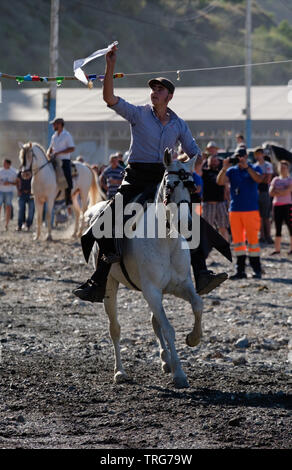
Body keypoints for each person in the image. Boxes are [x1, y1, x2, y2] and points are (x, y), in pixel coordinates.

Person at [73, 44, 228, 302]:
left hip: (164, 178)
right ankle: (98, 281)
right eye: (153, 89)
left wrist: (185, 168)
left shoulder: (179, 124)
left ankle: (201, 273)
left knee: (191, 220)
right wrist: (110, 66)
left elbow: (195, 152)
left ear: (169, 96)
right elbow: (109, 99)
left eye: (160, 89)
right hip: (135, 177)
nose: (154, 92)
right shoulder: (138, 114)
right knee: (109, 217)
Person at [217, 146, 264, 279]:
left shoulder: (254, 168)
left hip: (251, 210)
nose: (239, 159)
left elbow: (259, 180)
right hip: (235, 210)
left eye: (242, 156)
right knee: (238, 242)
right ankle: (240, 270)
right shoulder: (231, 170)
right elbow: (219, 182)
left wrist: (247, 167)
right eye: (237, 157)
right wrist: (224, 168)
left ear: (246, 157)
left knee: (253, 241)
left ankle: (257, 270)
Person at [197, 149, 230, 241]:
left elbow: (225, 185)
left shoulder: (222, 172)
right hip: (208, 203)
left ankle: (225, 246)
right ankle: (206, 248)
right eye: (212, 161)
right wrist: (203, 159)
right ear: (208, 162)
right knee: (208, 228)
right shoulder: (204, 172)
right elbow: (197, 170)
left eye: (215, 161)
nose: (214, 162)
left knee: (223, 228)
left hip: (221, 203)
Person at [46, 118, 75, 206]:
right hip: (54, 159)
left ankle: (68, 197)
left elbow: (72, 148)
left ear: (60, 124)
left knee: (67, 177)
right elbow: (51, 147)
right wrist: (48, 153)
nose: (53, 126)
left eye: (54, 124)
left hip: (64, 160)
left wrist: (59, 152)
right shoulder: (54, 136)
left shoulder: (67, 135)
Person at [269, 160, 292, 255]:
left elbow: (287, 191)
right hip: (277, 205)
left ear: (287, 169)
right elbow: (270, 192)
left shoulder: (290, 179)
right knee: (277, 227)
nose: (283, 169)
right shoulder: (275, 179)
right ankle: (277, 249)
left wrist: (278, 191)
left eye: (284, 167)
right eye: (281, 167)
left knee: (291, 227)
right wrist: (282, 191)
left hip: (288, 205)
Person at [253, 146, 274, 244]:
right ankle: (261, 236)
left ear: (263, 155)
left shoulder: (267, 165)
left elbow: (267, 179)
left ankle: (268, 236)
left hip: (265, 192)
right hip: (256, 192)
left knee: (266, 216)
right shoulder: (254, 166)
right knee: (259, 216)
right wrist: (262, 177)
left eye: (259, 154)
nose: (258, 156)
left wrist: (259, 178)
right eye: (256, 154)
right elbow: (255, 180)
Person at [0, 159, 17, 231]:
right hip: (0, 191)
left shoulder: (13, 172)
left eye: (5, 163)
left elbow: (16, 182)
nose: (3, 164)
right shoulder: (0, 171)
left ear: (9, 164)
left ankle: (7, 224)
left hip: (9, 192)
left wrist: (9, 183)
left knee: (8, 207)